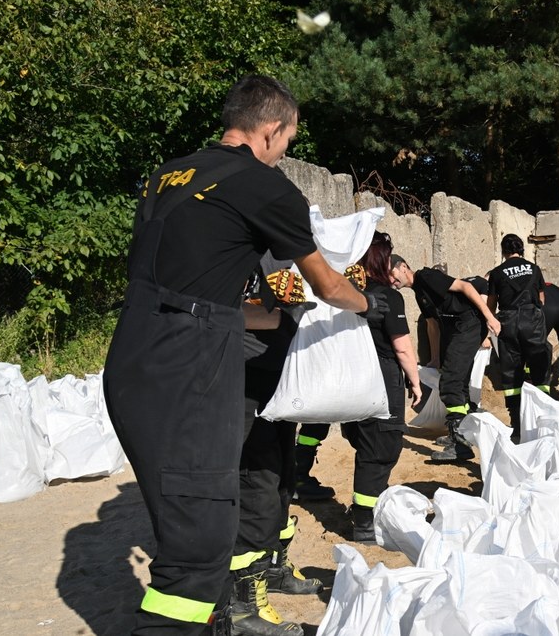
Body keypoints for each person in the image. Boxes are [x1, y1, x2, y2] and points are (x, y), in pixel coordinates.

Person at [102, 75, 383, 636]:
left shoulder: (169, 174)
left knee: (187, 529)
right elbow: (327, 284)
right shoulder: (263, 185)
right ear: (272, 129)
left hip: (133, 353)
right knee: (198, 550)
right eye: (288, 141)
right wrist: (368, 303)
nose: (285, 153)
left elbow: (196, 267)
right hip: (189, 362)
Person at [233, 258, 325, 636]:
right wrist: (285, 319)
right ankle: (241, 606)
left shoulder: (281, 259)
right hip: (242, 382)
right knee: (255, 483)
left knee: (282, 482)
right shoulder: (231, 249)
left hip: (281, 383)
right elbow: (215, 309)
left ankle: (272, 568)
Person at [341, 233, 422, 541]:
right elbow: (402, 346)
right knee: (382, 448)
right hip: (381, 377)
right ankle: (364, 521)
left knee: (365, 442)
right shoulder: (387, 296)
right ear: (379, 259)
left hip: (353, 376)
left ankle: (367, 508)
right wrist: (415, 382)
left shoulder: (347, 293)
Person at [390, 256, 500, 461]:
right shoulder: (419, 292)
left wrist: (489, 317)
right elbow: (433, 326)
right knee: (458, 382)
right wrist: (435, 358)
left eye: (391, 273)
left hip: (469, 324)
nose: (390, 279)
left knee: (450, 382)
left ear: (403, 267)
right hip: (458, 328)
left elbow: (466, 287)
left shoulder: (426, 276)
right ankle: (464, 434)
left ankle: (460, 446)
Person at [486, 234, 551, 440]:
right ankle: (543, 420)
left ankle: (517, 424)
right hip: (531, 319)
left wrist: (491, 324)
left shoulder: (497, 273)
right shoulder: (534, 268)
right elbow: (541, 298)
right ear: (521, 249)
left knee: (511, 372)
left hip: (508, 321)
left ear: (503, 252)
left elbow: (491, 303)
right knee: (540, 367)